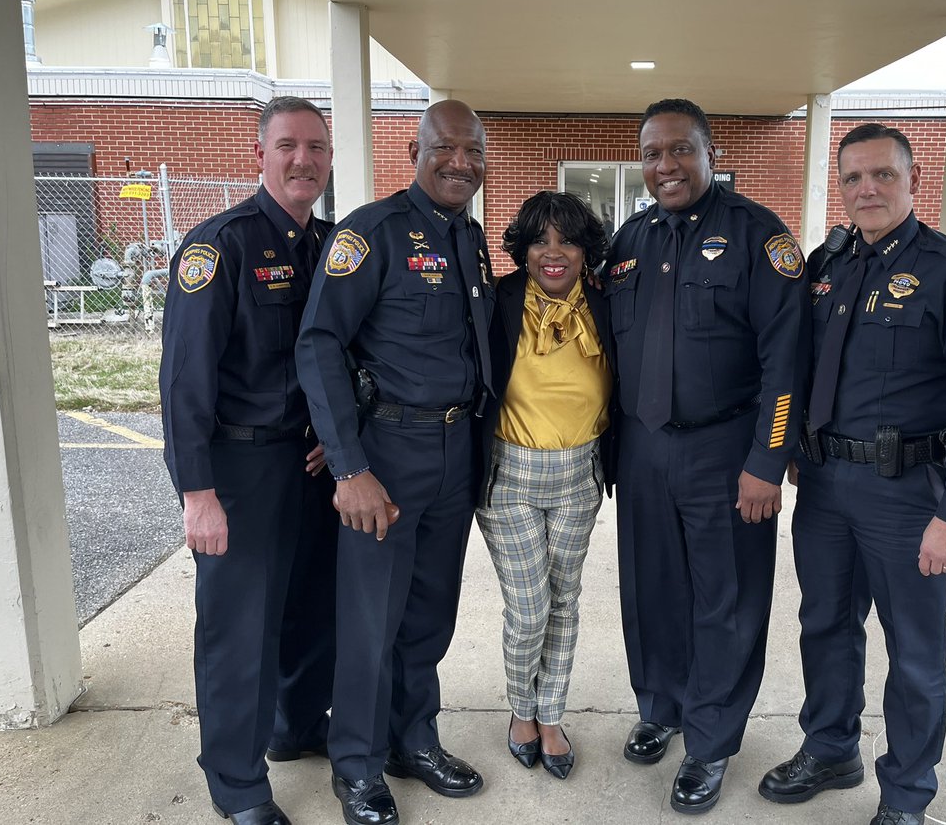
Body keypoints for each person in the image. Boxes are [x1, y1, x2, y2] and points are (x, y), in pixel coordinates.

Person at [758, 123, 946, 825]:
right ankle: (831, 746)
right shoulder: (828, 264)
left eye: (883, 176)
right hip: (825, 487)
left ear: (915, 182)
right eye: (853, 178)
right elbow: (797, 367)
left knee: (915, 651)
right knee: (826, 626)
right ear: (839, 187)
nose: (867, 189)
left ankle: (905, 795)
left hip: (908, 498)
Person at [605, 98, 811, 814]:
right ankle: (660, 706)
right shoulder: (628, 240)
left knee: (724, 598)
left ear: (710, 153)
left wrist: (766, 457)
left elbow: (787, 362)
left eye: (681, 150)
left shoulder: (760, 238)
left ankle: (713, 739)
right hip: (642, 446)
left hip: (727, 451)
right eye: (654, 152)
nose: (667, 165)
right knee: (651, 586)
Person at [296, 99, 493, 825]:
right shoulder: (370, 232)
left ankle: (415, 740)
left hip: (454, 453)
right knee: (370, 622)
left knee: (429, 616)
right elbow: (319, 345)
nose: (460, 162)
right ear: (414, 148)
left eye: (473, 150)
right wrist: (350, 468)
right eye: (446, 148)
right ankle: (356, 765)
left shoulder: (468, 238)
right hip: (386, 455)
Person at [159, 96, 337, 825]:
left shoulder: (329, 244)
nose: (304, 160)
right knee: (239, 631)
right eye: (289, 146)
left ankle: (294, 730)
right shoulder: (219, 247)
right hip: (241, 469)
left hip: (316, 468)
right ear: (258, 156)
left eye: (317, 148)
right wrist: (197, 492)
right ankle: (236, 782)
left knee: (308, 613)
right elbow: (183, 381)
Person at [477, 191, 613, 781]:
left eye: (567, 241)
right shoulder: (499, 301)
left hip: (579, 473)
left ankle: (551, 714)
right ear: (522, 250)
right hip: (510, 473)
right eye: (540, 241)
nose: (553, 253)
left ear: (587, 252)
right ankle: (520, 709)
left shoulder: (606, 303)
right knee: (530, 606)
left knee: (565, 599)